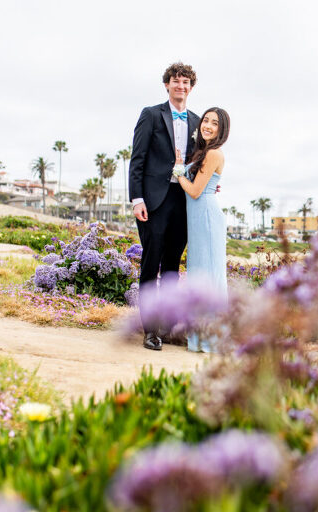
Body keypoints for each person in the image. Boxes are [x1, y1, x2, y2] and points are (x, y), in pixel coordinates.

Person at [129, 62, 202, 351]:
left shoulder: (197, 121)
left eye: (186, 82)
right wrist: (137, 199)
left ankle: (168, 327)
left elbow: (201, 163)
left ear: (191, 87)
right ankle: (149, 330)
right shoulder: (151, 115)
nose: (181, 86)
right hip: (154, 201)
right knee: (151, 262)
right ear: (167, 85)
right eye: (176, 81)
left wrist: (209, 184)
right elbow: (137, 158)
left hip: (184, 201)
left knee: (172, 267)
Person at [173, 107, 230, 352]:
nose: (207, 125)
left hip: (206, 218)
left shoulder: (214, 154)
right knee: (198, 276)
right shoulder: (203, 153)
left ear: (221, 129)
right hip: (197, 219)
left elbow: (195, 191)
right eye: (205, 120)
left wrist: (178, 170)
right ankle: (199, 338)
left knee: (208, 277)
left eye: (214, 123)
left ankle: (211, 340)